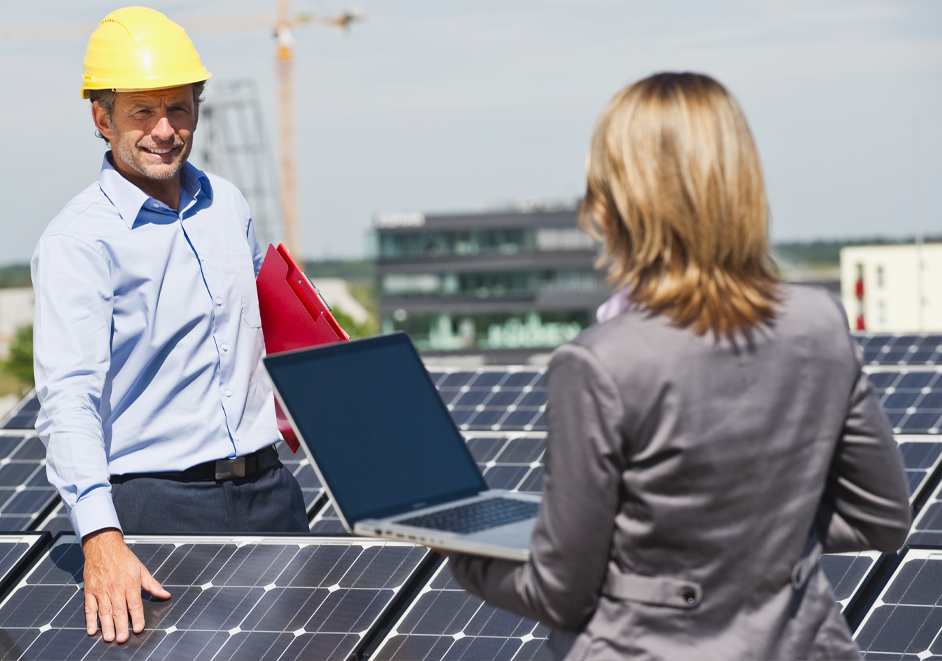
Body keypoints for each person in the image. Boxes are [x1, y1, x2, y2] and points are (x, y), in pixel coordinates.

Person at [445, 73, 912, 660]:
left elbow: (558, 594)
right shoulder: (818, 323)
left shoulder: (600, 362)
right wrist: (759, 546)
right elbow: (881, 520)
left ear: (615, 202)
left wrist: (457, 550)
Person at [31, 7, 308, 646]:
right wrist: (99, 536)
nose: (165, 130)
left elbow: (272, 333)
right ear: (101, 119)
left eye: (179, 109)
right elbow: (68, 401)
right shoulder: (78, 242)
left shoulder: (228, 204)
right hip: (160, 508)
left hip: (271, 495)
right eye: (141, 113)